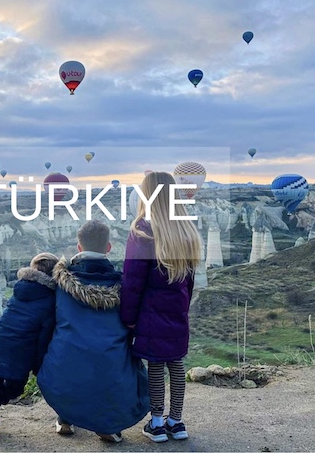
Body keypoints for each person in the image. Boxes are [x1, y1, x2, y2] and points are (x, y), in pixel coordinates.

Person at [37, 220, 150, 443]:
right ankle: (108, 424)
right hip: (111, 364)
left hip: (65, 365)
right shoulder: (123, 284)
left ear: (79, 248)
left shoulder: (61, 282)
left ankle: (66, 416)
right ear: (108, 248)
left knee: (67, 355)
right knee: (120, 365)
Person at [120, 172, 202, 443]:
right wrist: (183, 308)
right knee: (176, 364)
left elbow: (133, 281)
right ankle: (176, 422)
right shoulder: (185, 230)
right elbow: (189, 281)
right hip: (176, 309)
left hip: (150, 312)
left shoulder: (142, 231)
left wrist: (128, 318)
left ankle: (156, 423)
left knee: (155, 365)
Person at [0, 252, 59, 443]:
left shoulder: (21, 288)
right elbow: (43, 339)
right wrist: (38, 365)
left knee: (8, 389)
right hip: (17, 352)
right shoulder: (51, 301)